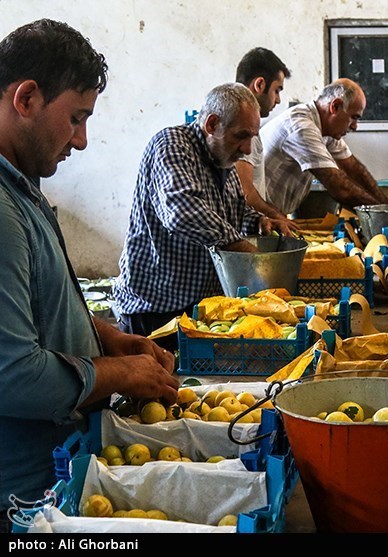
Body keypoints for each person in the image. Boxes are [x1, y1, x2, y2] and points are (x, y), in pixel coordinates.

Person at [0, 19, 177, 532]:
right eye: (76, 118)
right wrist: (120, 375)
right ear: (27, 98)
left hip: (53, 480)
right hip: (20, 503)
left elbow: (34, 306)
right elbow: (11, 374)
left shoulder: (23, 189)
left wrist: (107, 338)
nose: (81, 140)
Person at [114, 82, 274, 349]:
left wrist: (258, 221)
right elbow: (182, 212)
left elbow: (231, 212)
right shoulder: (172, 145)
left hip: (197, 311)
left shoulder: (224, 158)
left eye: (252, 137)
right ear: (212, 124)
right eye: (241, 136)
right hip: (155, 311)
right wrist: (245, 250)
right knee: (157, 386)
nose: (247, 149)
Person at [261, 78, 388, 215]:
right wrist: (382, 215)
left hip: (273, 213)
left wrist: (387, 207)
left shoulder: (327, 128)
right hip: (259, 216)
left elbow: (354, 170)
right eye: (354, 117)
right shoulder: (302, 127)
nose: (354, 126)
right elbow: (340, 188)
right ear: (335, 106)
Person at [234, 47, 297, 235]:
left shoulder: (247, 126)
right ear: (260, 85)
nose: (278, 100)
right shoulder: (241, 126)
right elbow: (245, 192)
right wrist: (277, 216)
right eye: (277, 90)